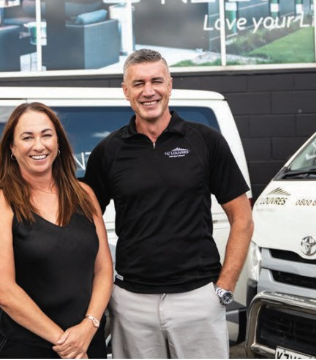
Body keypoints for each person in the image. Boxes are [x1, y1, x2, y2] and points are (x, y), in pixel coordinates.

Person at [84, 49, 253, 359]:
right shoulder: (108, 151)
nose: (149, 91)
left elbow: (242, 217)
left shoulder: (205, 140)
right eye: (138, 83)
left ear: (170, 85)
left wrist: (225, 286)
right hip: (131, 303)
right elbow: (85, 223)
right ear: (126, 91)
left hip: (198, 299)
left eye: (156, 81)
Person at [0, 102, 113, 359]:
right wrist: (65, 343)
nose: (38, 145)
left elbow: (104, 269)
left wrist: (89, 326)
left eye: (46, 135)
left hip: (86, 340)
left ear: (58, 143)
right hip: (27, 345)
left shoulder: (84, 195)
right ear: (12, 148)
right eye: (27, 137)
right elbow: (3, 291)